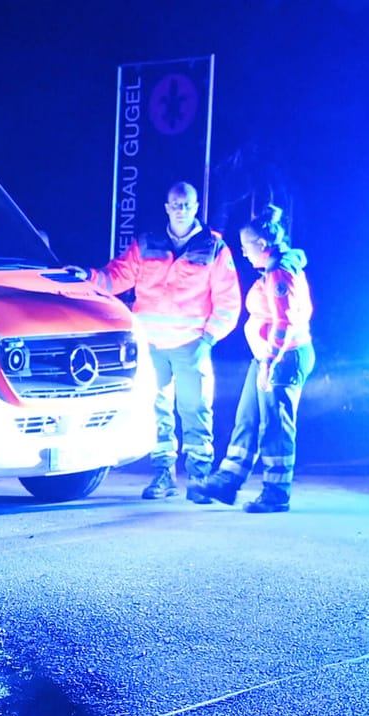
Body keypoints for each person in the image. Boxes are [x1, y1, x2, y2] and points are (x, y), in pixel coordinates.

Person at [90, 182, 242, 501]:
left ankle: (199, 479)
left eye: (186, 204)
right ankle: (163, 474)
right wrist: (87, 278)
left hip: (191, 345)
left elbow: (228, 301)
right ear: (166, 207)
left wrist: (208, 339)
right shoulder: (147, 243)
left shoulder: (214, 247)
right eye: (175, 204)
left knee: (195, 411)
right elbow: (117, 276)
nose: (181, 209)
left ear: (196, 207)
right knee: (155, 410)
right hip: (151, 345)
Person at [189, 204, 314, 513]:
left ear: (261, 245)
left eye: (245, 247)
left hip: (282, 360)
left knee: (275, 426)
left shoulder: (280, 272)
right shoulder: (274, 268)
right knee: (247, 419)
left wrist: (270, 362)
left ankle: (276, 493)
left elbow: (284, 323)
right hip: (267, 358)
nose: (243, 253)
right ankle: (227, 481)